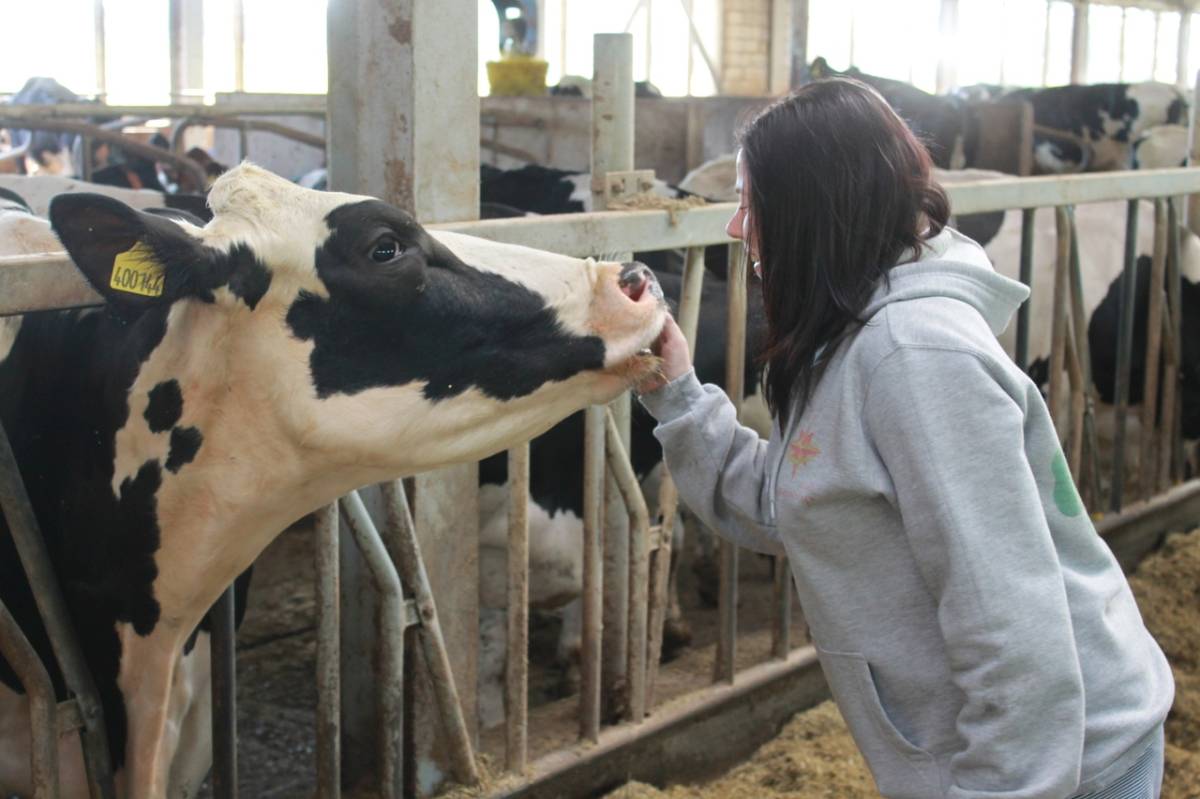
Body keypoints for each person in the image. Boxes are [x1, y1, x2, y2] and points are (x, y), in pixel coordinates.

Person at [636, 78, 1173, 799]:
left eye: (750, 202)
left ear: (811, 209)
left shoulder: (916, 358)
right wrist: (673, 388)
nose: (737, 227)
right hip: (994, 754)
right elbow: (786, 502)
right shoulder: (854, 335)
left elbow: (1012, 624)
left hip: (1065, 768)